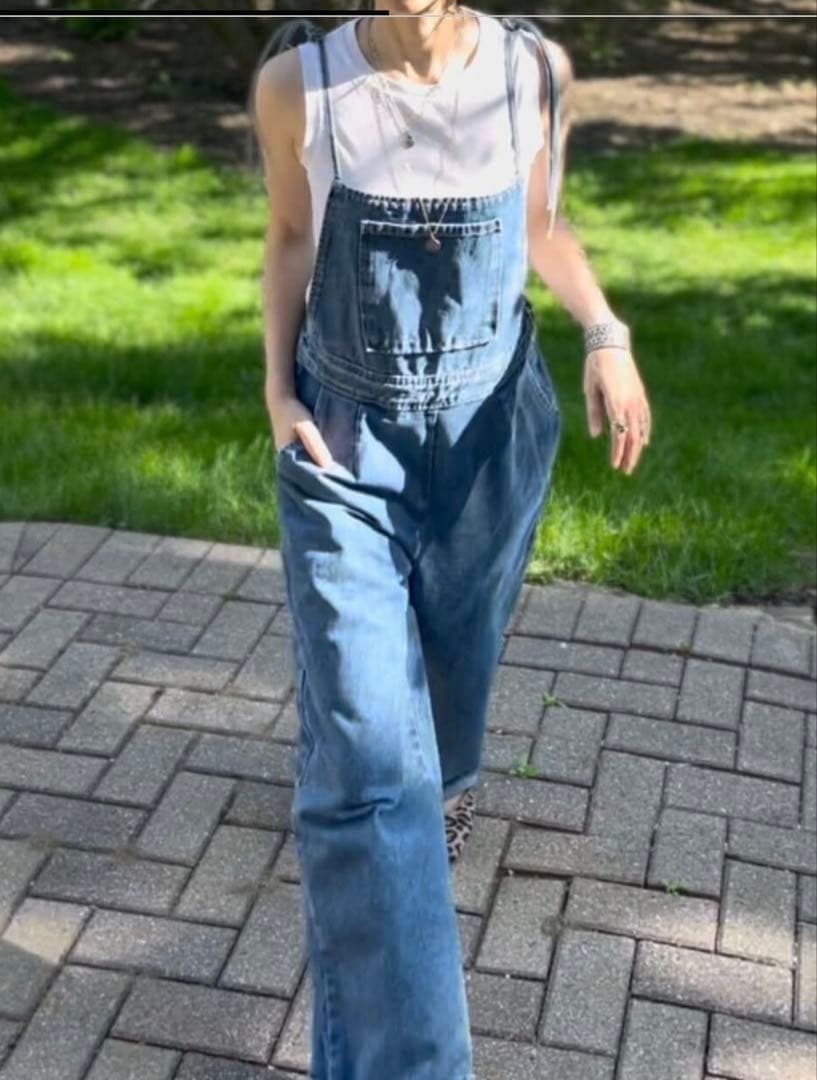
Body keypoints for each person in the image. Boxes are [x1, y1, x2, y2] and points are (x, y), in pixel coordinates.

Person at [252, 4, 652, 1077]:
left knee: (453, 679)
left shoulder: (532, 70)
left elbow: (540, 227)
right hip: (346, 452)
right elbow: (290, 240)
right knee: (370, 773)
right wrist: (278, 392)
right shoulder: (300, 84)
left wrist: (604, 333)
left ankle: (447, 784)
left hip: (489, 440)